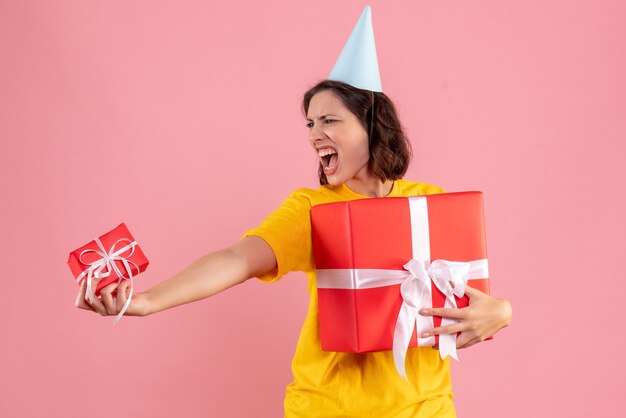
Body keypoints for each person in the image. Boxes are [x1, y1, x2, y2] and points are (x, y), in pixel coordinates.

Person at [76, 6, 512, 417]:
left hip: (427, 411)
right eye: (310, 123)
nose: (314, 135)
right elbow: (237, 258)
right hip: (327, 410)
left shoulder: (429, 202)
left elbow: (471, 295)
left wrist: (501, 313)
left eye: (329, 121)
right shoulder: (312, 209)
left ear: (372, 127)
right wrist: (148, 302)